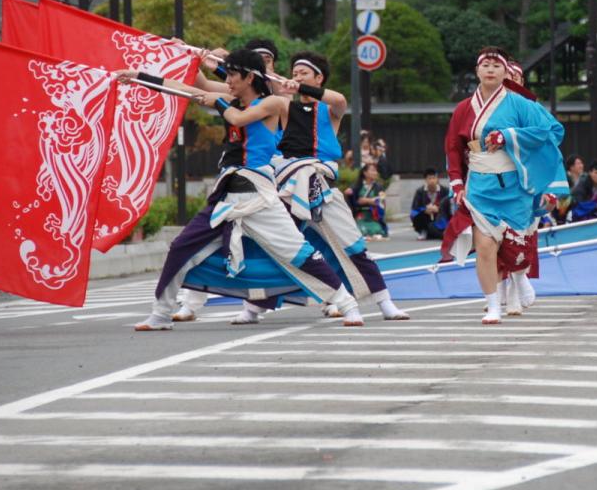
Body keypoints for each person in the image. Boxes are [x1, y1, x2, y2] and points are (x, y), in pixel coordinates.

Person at [124, 49, 365, 330]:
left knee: (299, 253)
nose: (228, 82)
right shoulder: (230, 99)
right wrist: (140, 77)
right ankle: (161, 314)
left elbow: (239, 119)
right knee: (180, 246)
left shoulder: (273, 103)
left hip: (259, 194)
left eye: (233, 76)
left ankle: (348, 305)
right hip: (227, 194)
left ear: (249, 77)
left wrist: (219, 104)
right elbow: (185, 89)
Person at [224, 51, 409, 325]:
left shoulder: (330, 110)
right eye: (294, 73)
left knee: (354, 246)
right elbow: (250, 83)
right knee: (277, 245)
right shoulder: (284, 105)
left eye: (303, 73)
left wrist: (303, 87)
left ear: (318, 77)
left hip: (322, 185)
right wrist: (222, 62)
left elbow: (340, 100)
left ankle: (385, 302)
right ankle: (253, 306)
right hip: (289, 186)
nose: (296, 77)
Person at [443, 47, 568, 324]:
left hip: (515, 184)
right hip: (479, 185)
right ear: (477, 71)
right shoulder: (464, 108)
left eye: (496, 65)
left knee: (516, 248)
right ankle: (492, 304)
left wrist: (509, 136)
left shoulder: (521, 105)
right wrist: (456, 183)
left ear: (505, 72)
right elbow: (453, 147)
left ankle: (520, 279)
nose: (490, 69)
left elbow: (552, 132)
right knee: (485, 246)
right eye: (485, 65)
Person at [348, 163, 388, 239]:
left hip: (373, 216)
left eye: (376, 171)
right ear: (365, 172)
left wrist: (368, 200)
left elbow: (382, 202)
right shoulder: (357, 185)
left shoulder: (378, 186)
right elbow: (354, 200)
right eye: (372, 170)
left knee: (377, 230)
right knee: (361, 230)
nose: (375, 173)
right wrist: (349, 194)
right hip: (360, 215)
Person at [411, 168, 452, 239]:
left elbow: (449, 206)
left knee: (435, 229)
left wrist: (439, 208)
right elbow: (415, 208)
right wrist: (425, 209)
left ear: (437, 179)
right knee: (419, 216)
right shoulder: (420, 192)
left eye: (434, 178)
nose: (432, 181)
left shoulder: (445, 191)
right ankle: (423, 231)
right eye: (429, 178)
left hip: (441, 217)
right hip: (426, 217)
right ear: (426, 180)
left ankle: (437, 232)